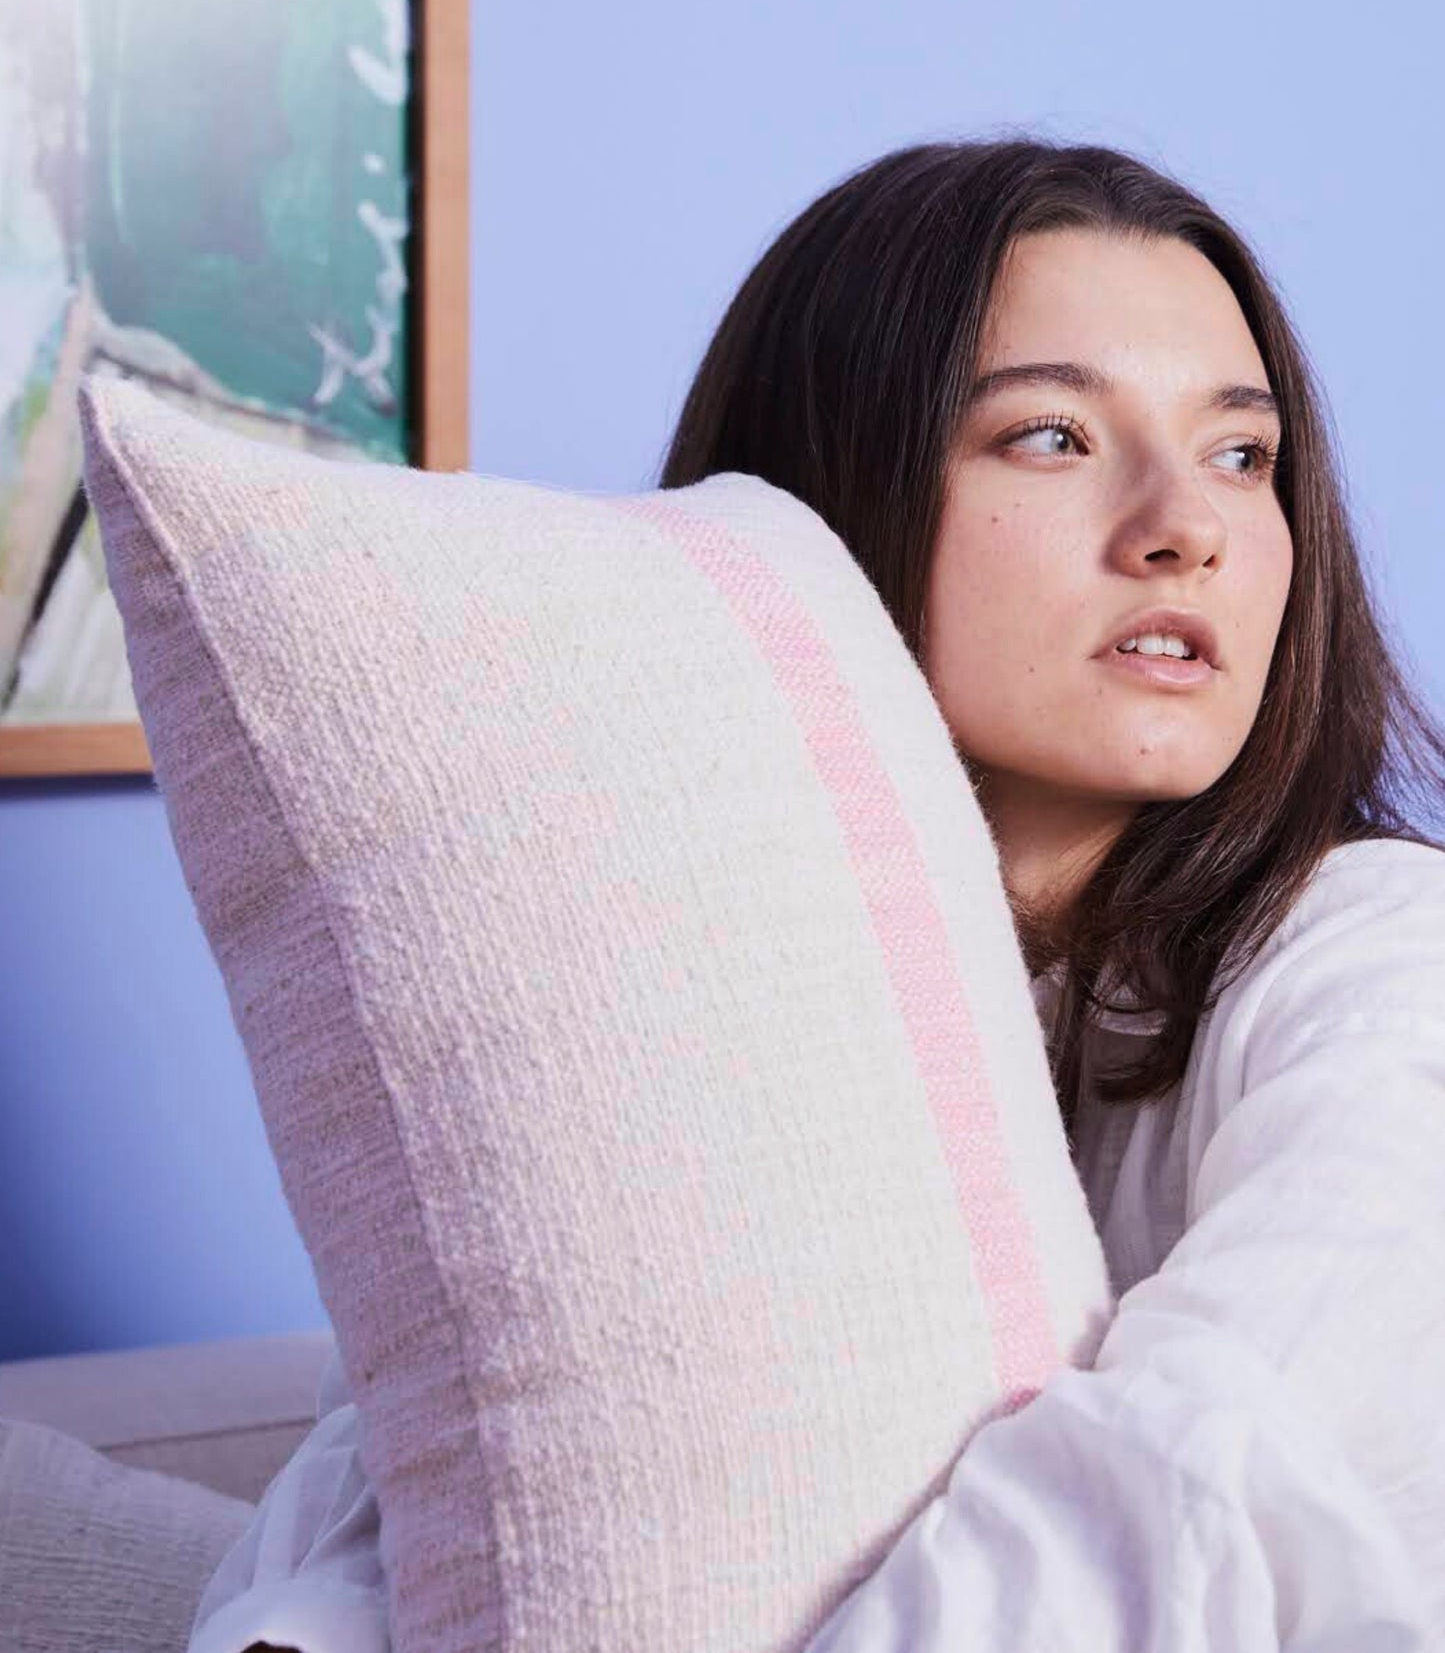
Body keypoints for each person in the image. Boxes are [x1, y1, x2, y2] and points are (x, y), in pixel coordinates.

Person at [188, 139, 1445, 1652]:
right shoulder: (689, 1007)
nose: (1186, 522)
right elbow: (429, 1477)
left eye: (1242, 454)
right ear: (820, 497)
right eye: (1051, 436)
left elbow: (1198, 1489)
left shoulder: (1382, 969)